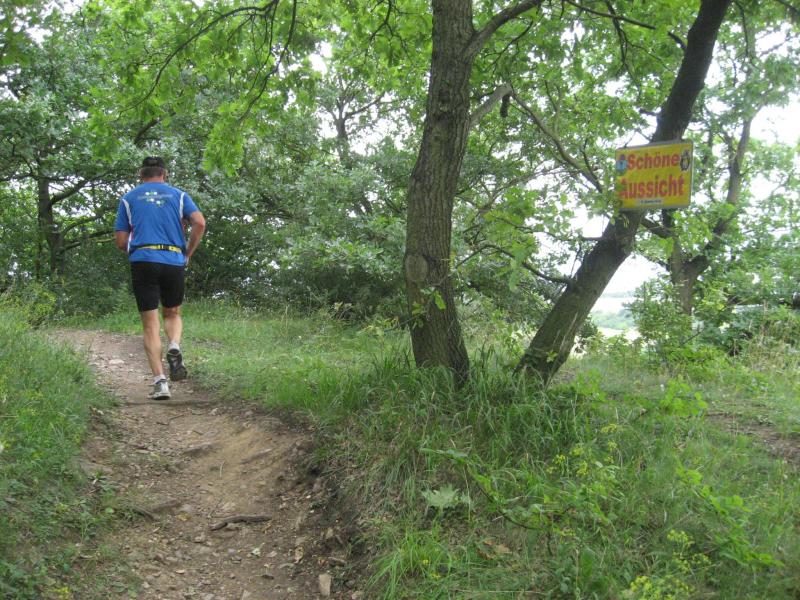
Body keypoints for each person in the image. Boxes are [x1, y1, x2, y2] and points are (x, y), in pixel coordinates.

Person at [114, 157, 206, 400]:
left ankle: (160, 383)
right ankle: (174, 344)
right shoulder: (179, 196)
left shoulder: (129, 199)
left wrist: (137, 248)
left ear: (141, 174)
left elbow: (121, 241)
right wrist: (188, 252)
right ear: (164, 174)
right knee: (172, 313)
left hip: (143, 259)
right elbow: (199, 222)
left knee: (150, 323)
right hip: (173, 258)